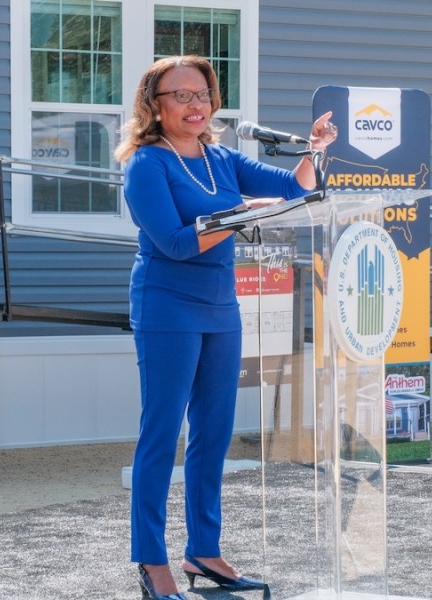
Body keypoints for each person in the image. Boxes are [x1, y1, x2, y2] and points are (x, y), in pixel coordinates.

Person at [113, 55, 337, 600]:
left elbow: (293, 189)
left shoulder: (221, 158)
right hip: (167, 305)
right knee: (161, 434)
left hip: (220, 305)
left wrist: (313, 149)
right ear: (154, 106)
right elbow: (173, 242)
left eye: (203, 95)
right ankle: (151, 559)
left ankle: (203, 551)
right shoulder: (147, 164)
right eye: (181, 95)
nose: (195, 104)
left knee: (214, 431)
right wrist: (240, 215)